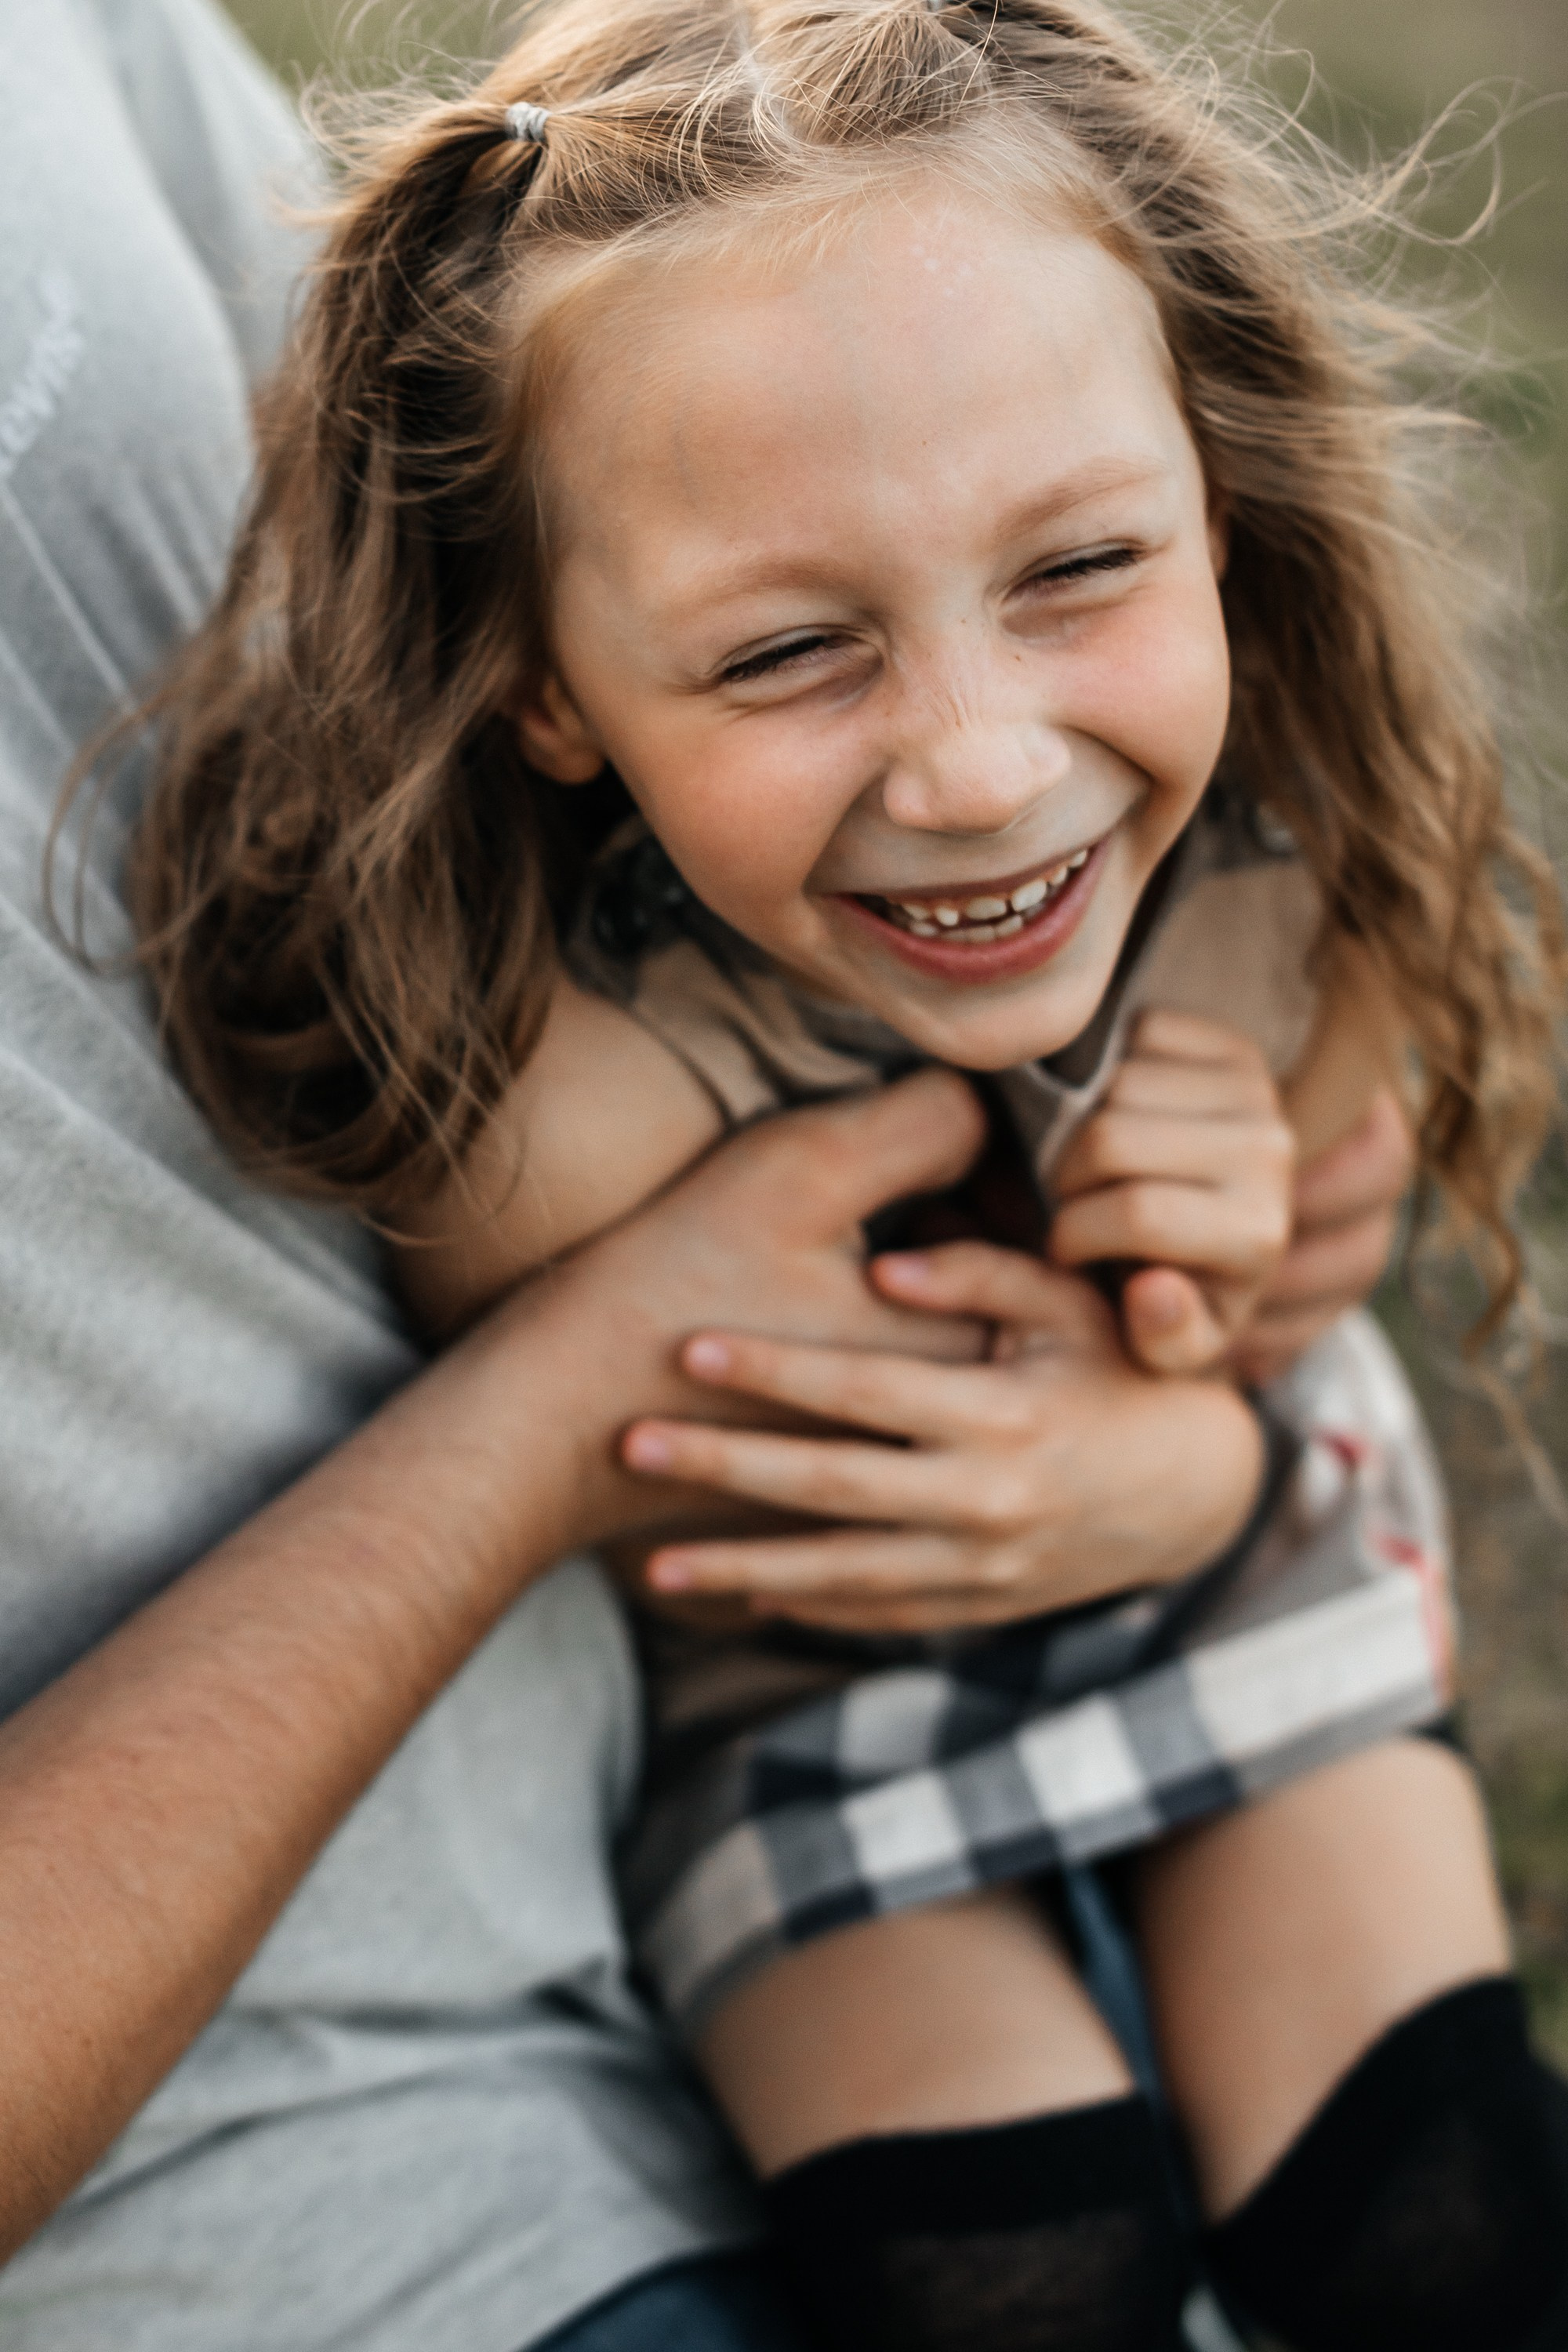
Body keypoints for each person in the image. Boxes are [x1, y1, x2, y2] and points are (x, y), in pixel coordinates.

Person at [117, 1, 1568, 2347]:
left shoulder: (1294, 828)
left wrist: (1236, 1240)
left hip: (1234, 1543)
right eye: (793, 652)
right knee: (1014, 2277)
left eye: (1083, 564)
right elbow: (714, 1478)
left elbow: (1355, 1114)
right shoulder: (568, 1094)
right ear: (548, 690)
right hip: (801, 1693)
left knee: (1437, 2223)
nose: (986, 770)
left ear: (1222, 491)